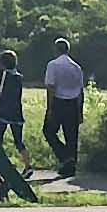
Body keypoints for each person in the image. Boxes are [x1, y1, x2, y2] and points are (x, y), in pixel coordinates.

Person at [40, 38, 89, 180]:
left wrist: (49, 108)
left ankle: (65, 157)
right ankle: (70, 166)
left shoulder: (53, 65)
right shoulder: (76, 67)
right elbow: (80, 91)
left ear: (56, 50)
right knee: (72, 136)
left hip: (58, 102)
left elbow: (51, 87)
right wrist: (80, 110)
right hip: (73, 103)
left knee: (48, 131)